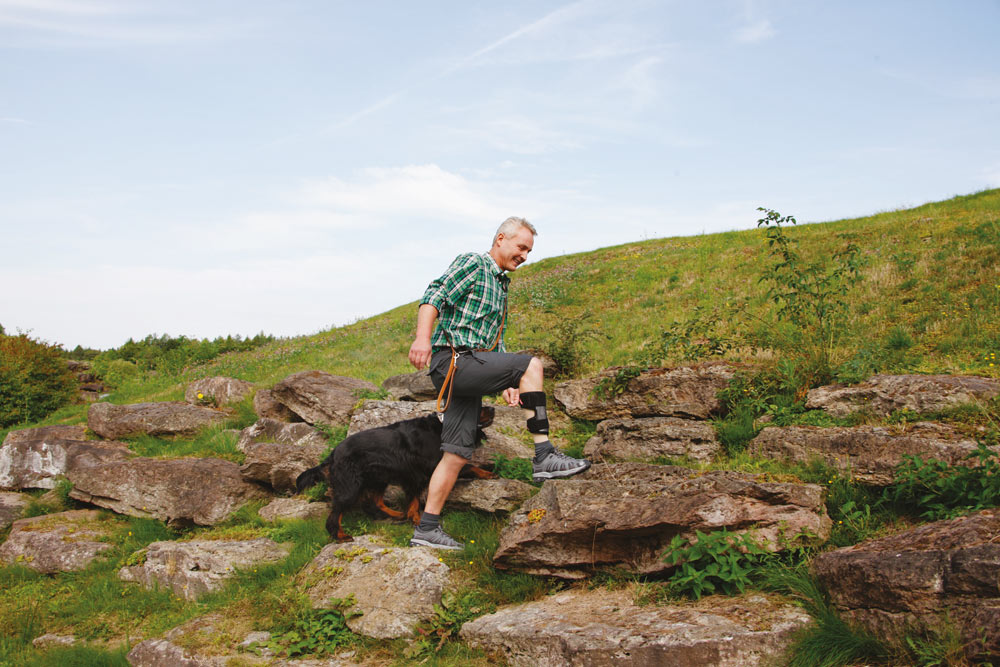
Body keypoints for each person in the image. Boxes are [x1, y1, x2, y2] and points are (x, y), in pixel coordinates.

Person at [407, 216, 591, 550]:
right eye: (521, 247)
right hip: (454, 361)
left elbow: (495, 341)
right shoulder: (474, 263)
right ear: (501, 239)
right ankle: (544, 455)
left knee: (456, 453)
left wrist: (509, 380)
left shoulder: (501, 284)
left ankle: (427, 529)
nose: (525, 255)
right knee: (532, 363)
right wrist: (422, 338)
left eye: (529, 251)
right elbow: (434, 294)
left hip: (470, 367)